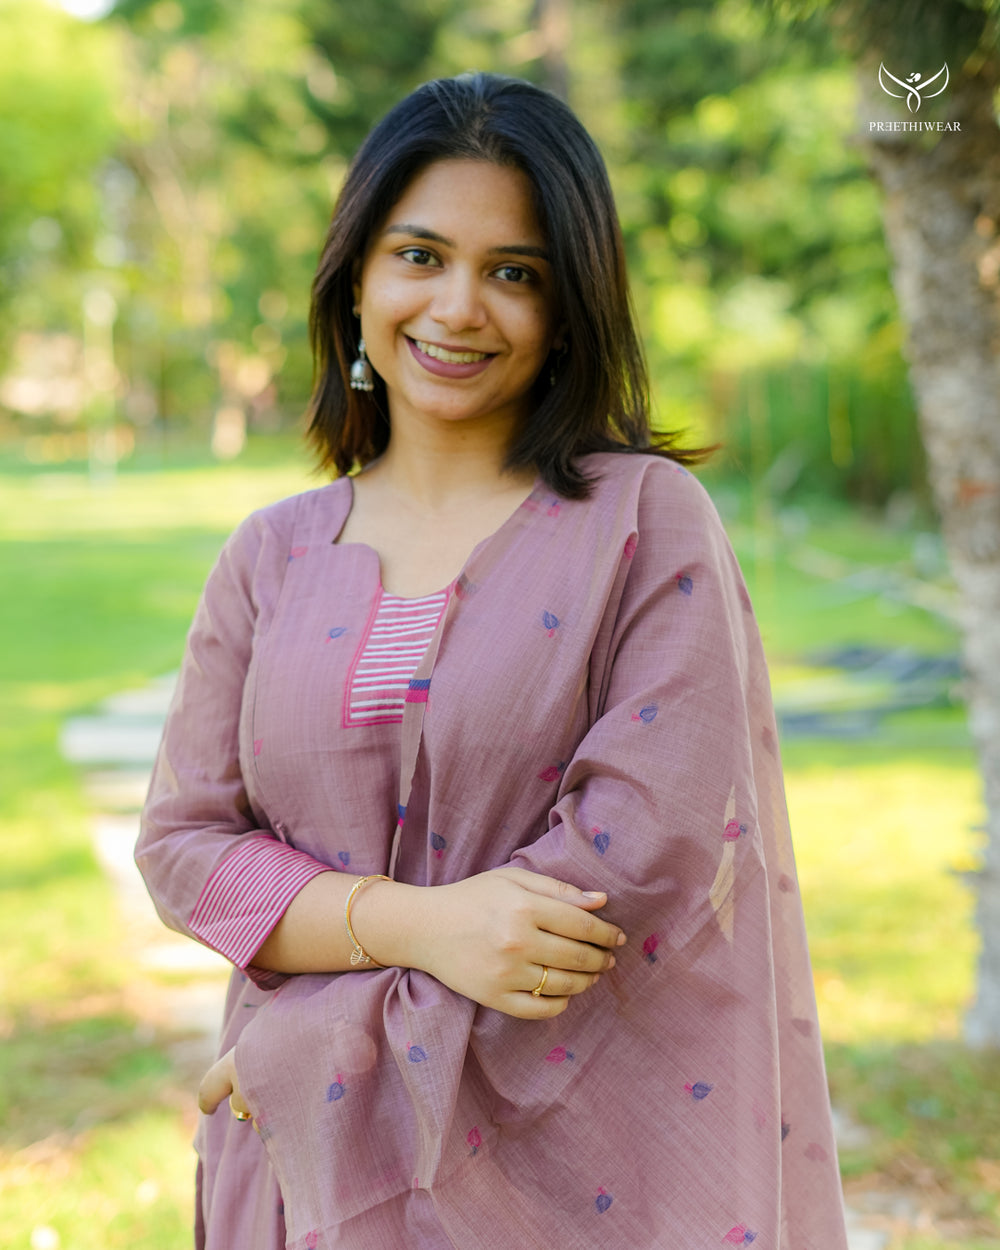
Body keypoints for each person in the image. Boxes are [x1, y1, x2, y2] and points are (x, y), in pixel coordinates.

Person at [137, 72, 849, 1250]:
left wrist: (314, 1043)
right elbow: (185, 845)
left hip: (568, 1163)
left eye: (514, 272)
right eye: (419, 255)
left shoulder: (643, 521)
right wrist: (418, 924)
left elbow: (634, 857)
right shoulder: (271, 554)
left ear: (568, 310)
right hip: (307, 1173)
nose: (458, 306)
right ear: (356, 279)